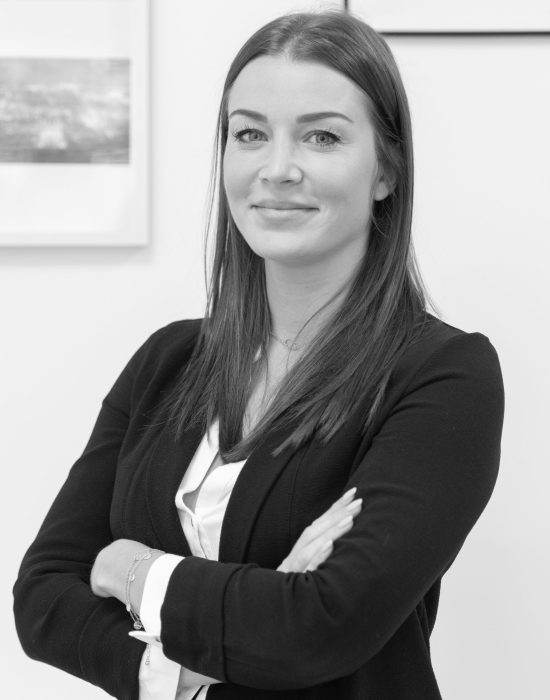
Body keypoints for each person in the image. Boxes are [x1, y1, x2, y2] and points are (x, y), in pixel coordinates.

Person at [13, 9, 505, 700]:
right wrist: (219, 640)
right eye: (249, 134)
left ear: (386, 170)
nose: (278, 169)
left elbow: (322, 627)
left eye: (322, 137)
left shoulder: (443, 377)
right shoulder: (168, 361)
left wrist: (130, 569)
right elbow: (42, 601)